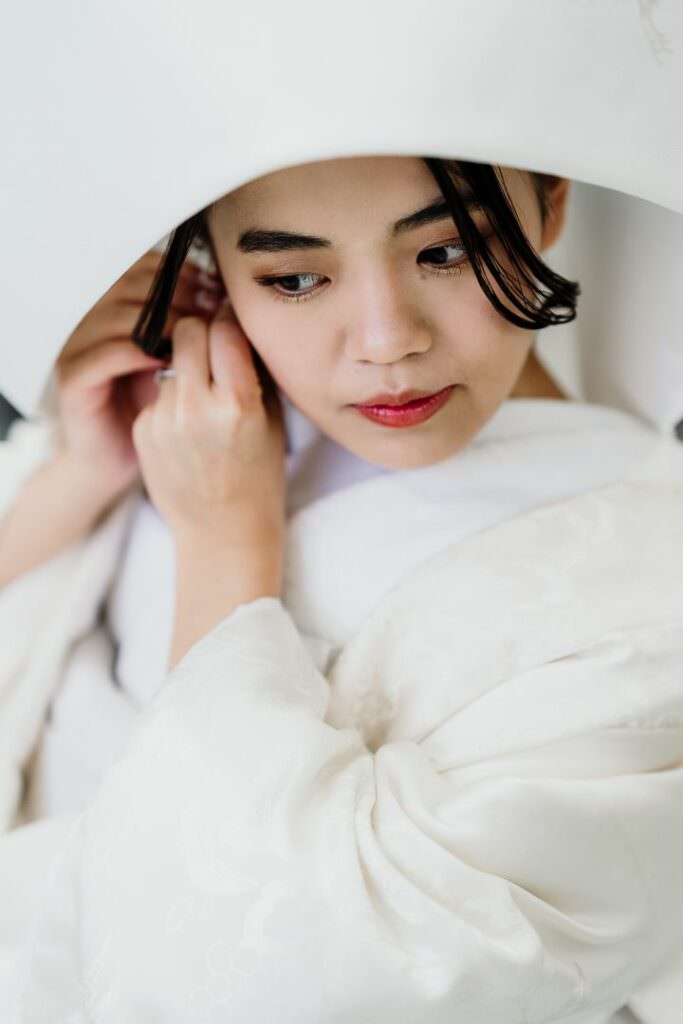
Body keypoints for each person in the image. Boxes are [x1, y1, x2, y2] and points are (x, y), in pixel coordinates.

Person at [0, 155, 681, 1023]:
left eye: (447, 250)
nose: (384, 338)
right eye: (293, 278)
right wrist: (79, 475)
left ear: (550, 203)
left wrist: (225, 558)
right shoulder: (189, 424)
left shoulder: (654, 586)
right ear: (212, 264)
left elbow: (303, 975)